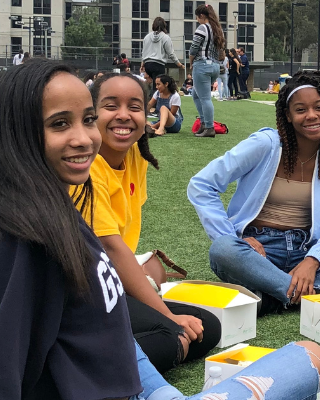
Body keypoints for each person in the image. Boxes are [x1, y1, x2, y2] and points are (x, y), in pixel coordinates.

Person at [0, 57, 320, 400]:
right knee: (310, 357)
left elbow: (105, 326)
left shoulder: (57, 210)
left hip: (127, 371)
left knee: (279, 347)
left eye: (87, 120)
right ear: (15, 133)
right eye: (59, 124)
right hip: (113, 383)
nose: (84, 138)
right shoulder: (21, 238)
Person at [189, 72, 320, 315]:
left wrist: (313, 261)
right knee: (223, 249)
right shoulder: (266, 144)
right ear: (288, 116)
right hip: (259, 253)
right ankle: (310, 295)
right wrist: (234, 236)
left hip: (308, 250)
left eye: (319, 107)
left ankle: (275, 297)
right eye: (301, 110)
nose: (312, 115)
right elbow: (202, 185)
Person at [74, 71, 223, 373]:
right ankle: (78, 369)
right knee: (171, 334)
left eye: (134, 106)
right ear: (91, 115)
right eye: (111, 105)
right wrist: (167, 316)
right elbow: (112, 249)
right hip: (79, 294)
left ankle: (113, 352)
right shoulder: (84, 170)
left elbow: (122, 247)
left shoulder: (135, 158)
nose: (123, 116)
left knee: (208, 326)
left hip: (111, 284)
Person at [188, 4, 225, 137]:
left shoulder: (202, 28)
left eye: (197, 17)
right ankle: (204, 123)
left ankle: (209, 127)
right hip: (214, 65)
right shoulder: (217, 30)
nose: (197, 20)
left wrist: (191, 61)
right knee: (196, 95)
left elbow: (194, 48)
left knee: (204, 98)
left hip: (202, 64)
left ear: (202, 16)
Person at [139, 17, 184, 94]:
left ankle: (146, 101)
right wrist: (179, 64)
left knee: (149, 85)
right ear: (164, 26)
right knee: (158, 87)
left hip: (148, 64)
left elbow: (144, 52)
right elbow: (171, 53)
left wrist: (142, 64)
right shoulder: (166, 38)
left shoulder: (147, 37)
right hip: (158, 65)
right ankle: (155, 104)